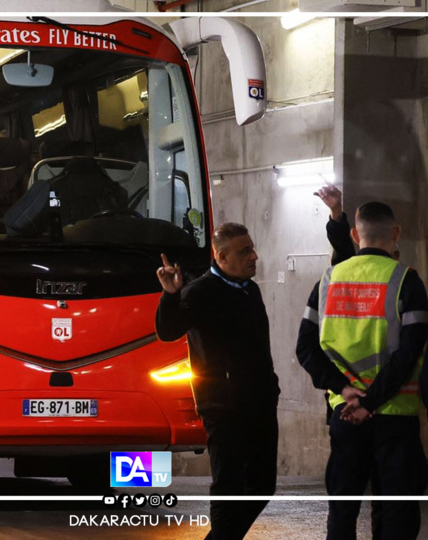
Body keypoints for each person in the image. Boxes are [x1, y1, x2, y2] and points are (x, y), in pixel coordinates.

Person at [296, 201, 428, 540]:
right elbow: (410, 353)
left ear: (355, 234)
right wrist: (373, 401)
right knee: (398, 509)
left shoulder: (328, 281)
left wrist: (344, 390)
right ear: (395, 233)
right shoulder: (407, 282)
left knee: (343, 508)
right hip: (395, 416)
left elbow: (306, 348)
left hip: (345, 414)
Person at [155, 222, 280, 540]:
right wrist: (170, 295)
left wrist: (271, 386)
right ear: (221, 256)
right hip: (223, 407)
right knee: (229, 486)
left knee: (262, 485)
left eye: (252, 248)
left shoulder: (251, 290)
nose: (254, 256)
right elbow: (168, 331)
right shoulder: (201, 292)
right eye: (245, 251)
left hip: (260, 403)